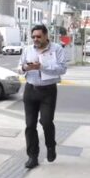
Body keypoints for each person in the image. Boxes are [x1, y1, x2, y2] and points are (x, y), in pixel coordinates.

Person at [18, 24, 68, 169]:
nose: (36, 39)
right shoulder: (27, 50)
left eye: (39, 36)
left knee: (46, 121)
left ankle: (51, 146)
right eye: (33, 37)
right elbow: (19, 68)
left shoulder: (57, 49)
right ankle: (32, 156)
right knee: (30, 125)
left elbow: (62, 69)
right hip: (30, 89)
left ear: (46, 36)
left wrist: (41, 67)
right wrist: (25, 68)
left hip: (48, 90)